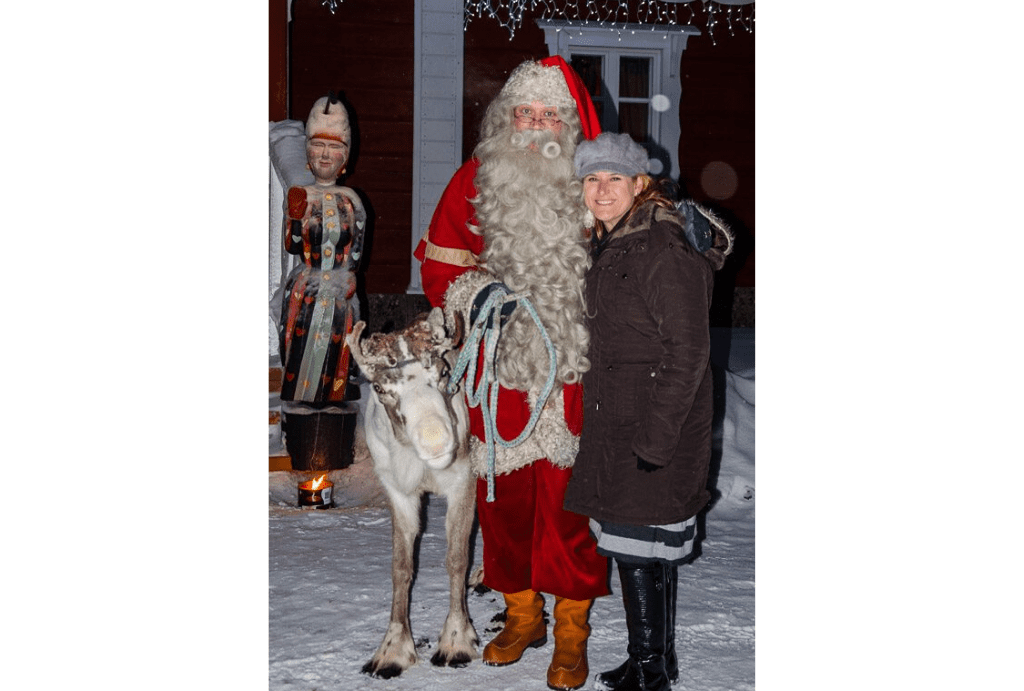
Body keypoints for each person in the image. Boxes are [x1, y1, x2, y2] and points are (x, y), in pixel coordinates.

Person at [414, 57, 608, 691]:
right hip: (497, 370)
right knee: (503, 503)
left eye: (549, 114)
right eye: (524, 112)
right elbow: (442, 266)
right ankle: (523, 615)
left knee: (566, 505)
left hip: (573, 370)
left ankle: (572, 629)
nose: (535, 125)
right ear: (506, 118)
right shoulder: (475, 178)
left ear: (569, 124)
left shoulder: (594, 182)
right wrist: (476, 298)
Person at [562, 133, 733, 691]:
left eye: (615, 179)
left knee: (638, 550)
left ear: (641, 185)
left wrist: (656, 441)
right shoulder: (612, 242)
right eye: (592, 179)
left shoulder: (662, 247)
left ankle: (652, 670)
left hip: (654, 423)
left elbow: (688, 351)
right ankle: (649, 660)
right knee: (638, 547)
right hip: (619, 419)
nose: (601, 190)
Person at [278, 94, 366, 467]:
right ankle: (300, 431)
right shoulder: (301, 195)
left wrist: (349, 278)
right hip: (306, 290)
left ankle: (333, 433)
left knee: (336, 361)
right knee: (301, 358)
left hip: (338, 294)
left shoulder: (351, 201)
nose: (325, 156)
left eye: (333, 148)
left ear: (345, 159)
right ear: (308, 154)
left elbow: (357, 250)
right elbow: (293, 244)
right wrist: (295, 217)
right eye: (318, 146)